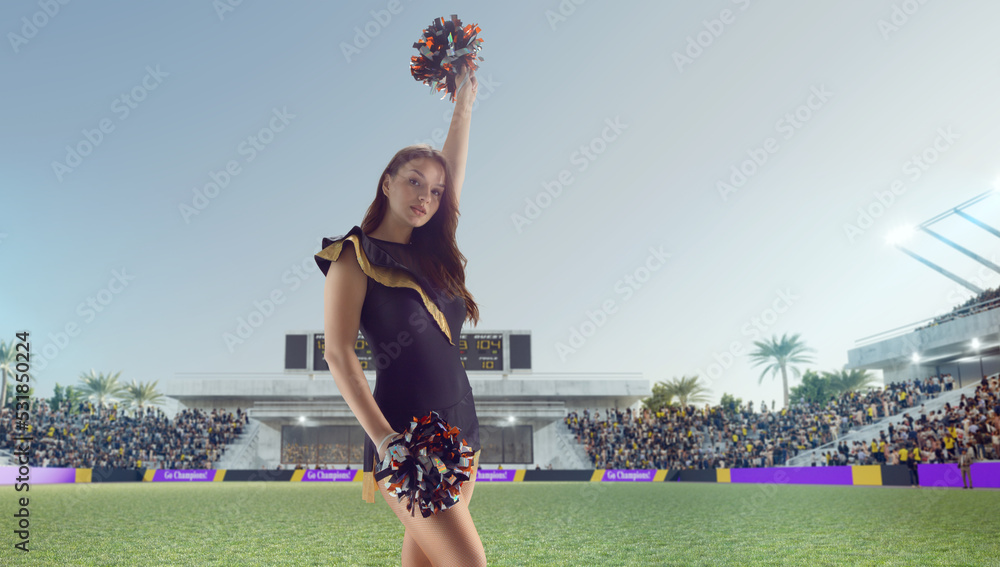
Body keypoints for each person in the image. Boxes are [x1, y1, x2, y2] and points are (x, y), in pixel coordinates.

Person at [315, 67, 485, 567]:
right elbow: (337, 352)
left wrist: (464, 102)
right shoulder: (355, 253)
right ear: (387, 182)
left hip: (464, 426)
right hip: (406, 436)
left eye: (435, 192)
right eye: (414, 182)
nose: (425, 197)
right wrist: (386, 439)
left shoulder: (435, 255)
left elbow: (451, 171)